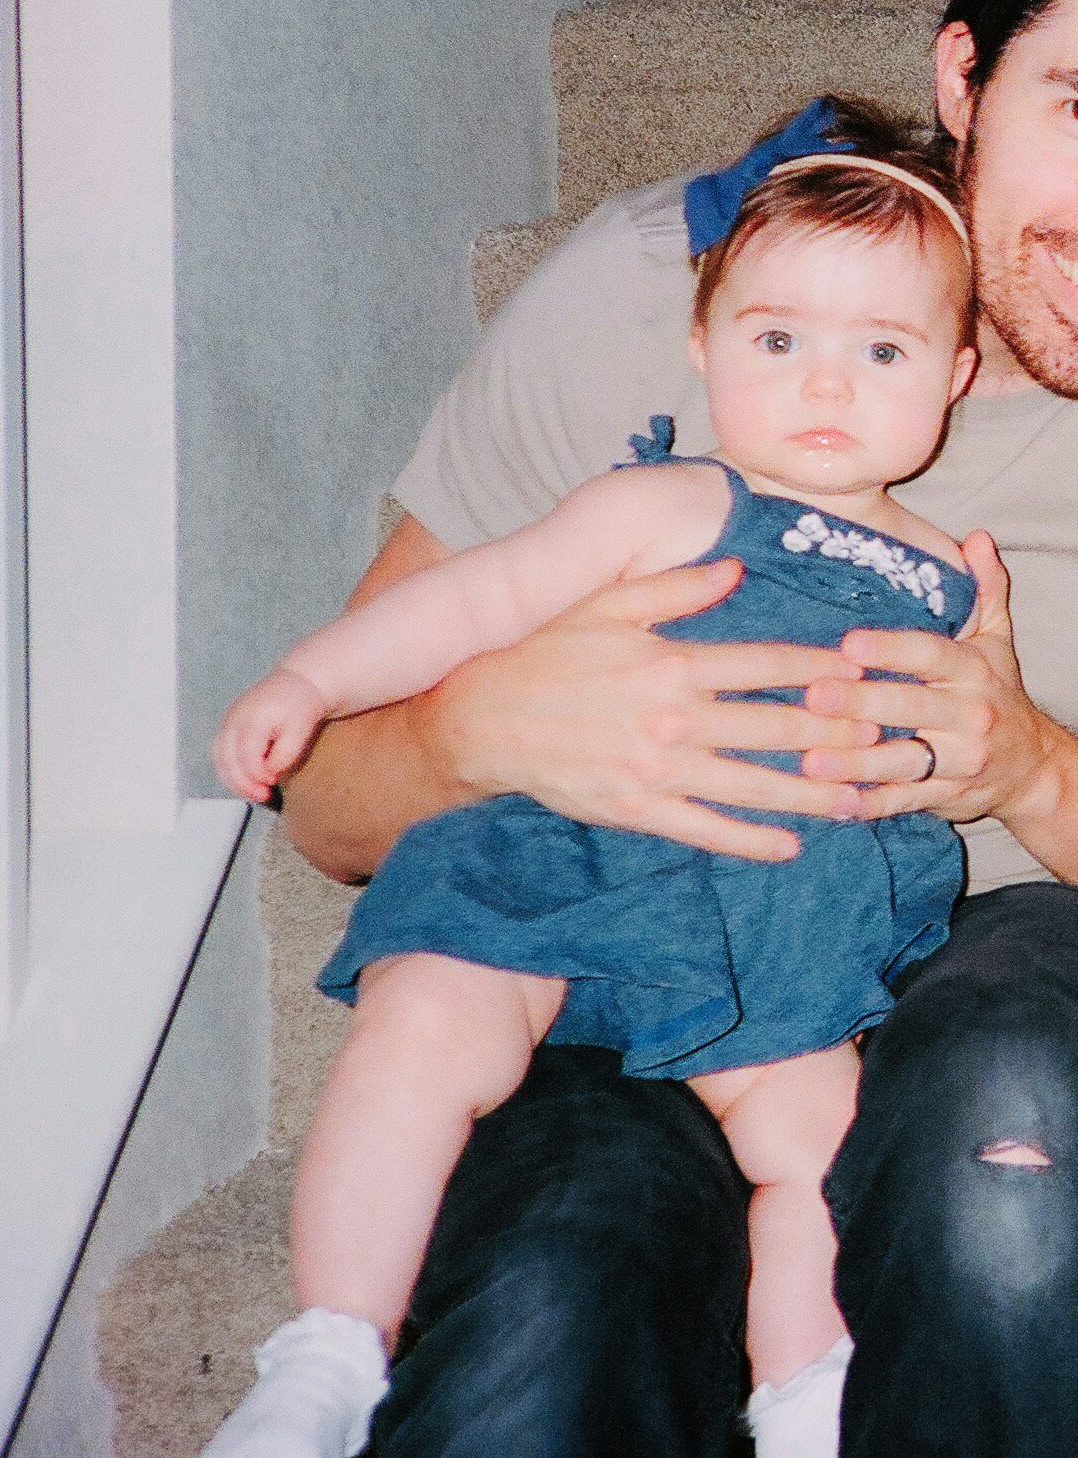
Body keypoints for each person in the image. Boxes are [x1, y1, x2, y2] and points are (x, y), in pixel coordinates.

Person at [270, 0, 1078, 1458]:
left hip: (1004, 950)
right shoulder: (654, 295)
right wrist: (480, 731)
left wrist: (1024, 762)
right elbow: (321, 803)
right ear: (962, 77)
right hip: (627, 938)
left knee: (1004, 1171)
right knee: (541, 1325)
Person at [202, 104, 980, 1458]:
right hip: (568, 856)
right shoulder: (670, 499)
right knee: (423, 1029)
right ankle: (327, 1350)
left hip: (772, 908)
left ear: (957, 376)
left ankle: (803, 1392)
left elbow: (946, 745)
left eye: (882, 348)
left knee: (821, 1138)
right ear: (702, 342)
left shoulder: (947, 572)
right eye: (778, 337)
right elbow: (473, 598)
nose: (823, 384)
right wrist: (312, 681)